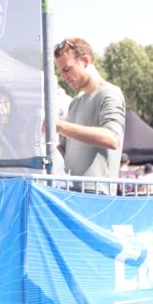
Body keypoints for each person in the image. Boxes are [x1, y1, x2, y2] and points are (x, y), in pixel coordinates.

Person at [53, 37, 126, 193]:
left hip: (97, 198)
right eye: (61, 72)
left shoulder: (109, 93)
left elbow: (112, 139)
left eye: (67, 69)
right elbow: (65, 151)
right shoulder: (75, 102)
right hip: (71, 194)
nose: (63, 77)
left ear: (85, 61)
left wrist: (60, 126)